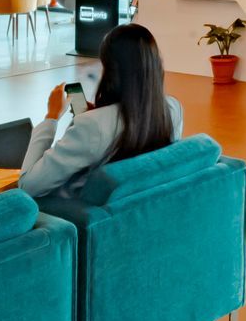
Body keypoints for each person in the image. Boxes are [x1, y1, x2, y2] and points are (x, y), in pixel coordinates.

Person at [20, 24, 182, 198]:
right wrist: (99, 114)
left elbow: (28, 186)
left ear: (111, 71)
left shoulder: (92, 126)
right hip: (138, 203)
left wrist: (51, 118)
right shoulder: (172, 109)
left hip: (76, 215)